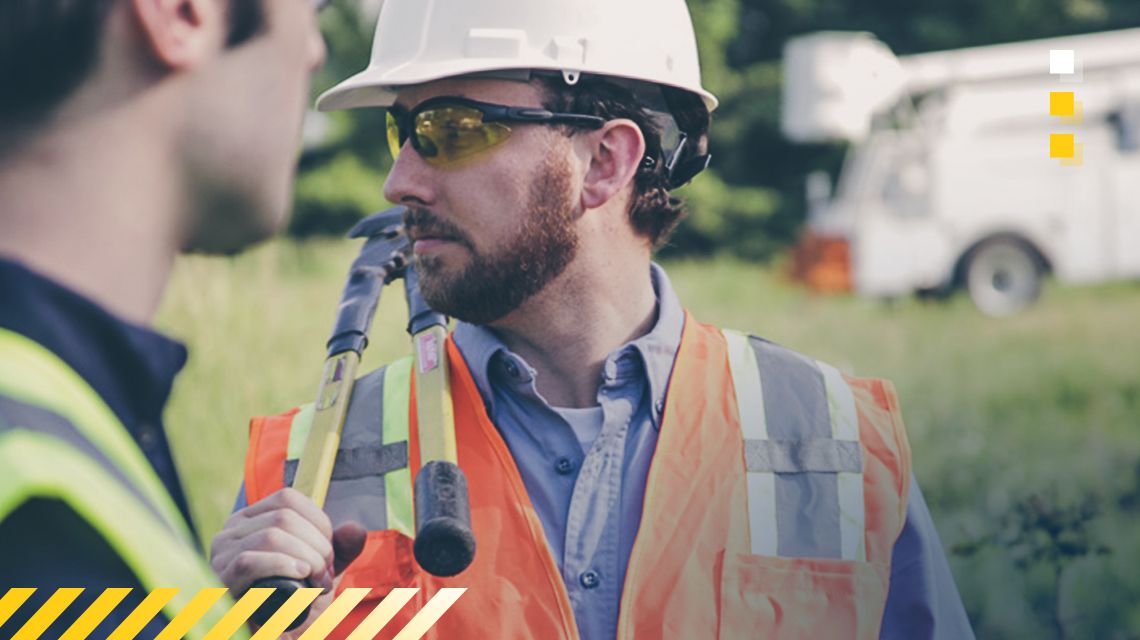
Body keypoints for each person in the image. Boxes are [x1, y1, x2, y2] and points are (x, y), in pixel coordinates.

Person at [211, 0, 976, 638]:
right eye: (400, 130)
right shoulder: (308, 475)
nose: (398, 179)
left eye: (449, 129)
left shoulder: (838, 441)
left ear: (605, 161)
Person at [0, 0, 327, 637]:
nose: (313, 51)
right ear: (182, 14)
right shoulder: (44, 526)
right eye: (309, 11)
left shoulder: (59, 415)